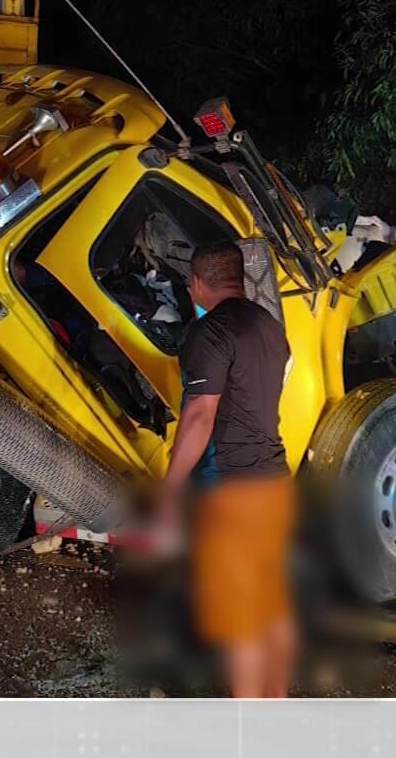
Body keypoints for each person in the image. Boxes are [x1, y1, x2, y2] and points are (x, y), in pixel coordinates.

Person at [159, 241, 296, 698]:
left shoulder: (210, 332)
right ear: (239, 278)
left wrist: (170, 490)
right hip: (274, 480)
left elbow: (200, 415)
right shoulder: (269, 326)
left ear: (197, 282)